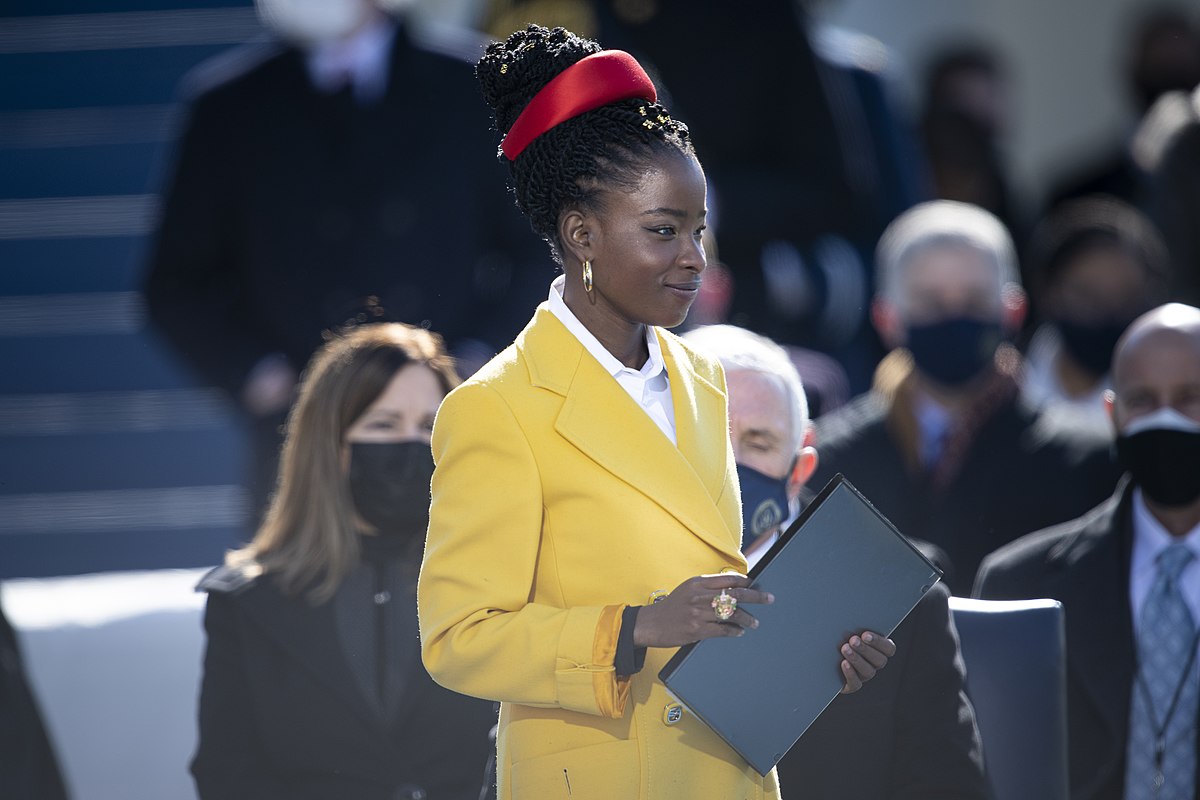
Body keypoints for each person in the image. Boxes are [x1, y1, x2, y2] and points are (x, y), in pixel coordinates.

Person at [416, 25, 895, 800]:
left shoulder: (704, 379)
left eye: (698, 231)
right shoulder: (494, 409)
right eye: (663, 231)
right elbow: (457, 639)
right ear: (582, 236)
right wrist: (631, 628)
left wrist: (818, 657)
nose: (694, 258)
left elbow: (717, 608)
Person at [143, 0, 546, 526]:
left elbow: (542, 248)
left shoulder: (476, 87)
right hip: (302, 440)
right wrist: (257, 375)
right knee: (302, 598)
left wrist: (478, 362)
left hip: (447, 425)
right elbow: (177, 280)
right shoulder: (230, 103)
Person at [684, 323, 990, 799]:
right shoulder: (591, 570)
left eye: (758, 443)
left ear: (800, 468)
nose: (728, 465)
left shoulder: (893, 596)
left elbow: (946, 785)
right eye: (705, 437)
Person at [191, 323, 496, 799]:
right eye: (382, 425)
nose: (412, 446)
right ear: (329, 445)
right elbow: (228, 776)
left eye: (429, 427)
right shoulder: (246, 605)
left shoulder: (507, 584)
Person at [812, 200, 1121, 593]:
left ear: (1014, 311)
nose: (954, 317)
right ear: (887, 319)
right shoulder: (831, 462)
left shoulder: (1086, 462)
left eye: (975, 302)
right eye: (930, 303)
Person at [975, 302, 1200, 800]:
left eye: (1189, 399)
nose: (1166, 419)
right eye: (1143, 400)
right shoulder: (1019, 582)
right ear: (1112, 413)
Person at [1021, 195, 1171, 429]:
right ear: (1047, 292)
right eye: (1088, 295)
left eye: (1127, 297)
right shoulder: (1002, 391)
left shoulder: (1170, 409)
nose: (1108, 311)